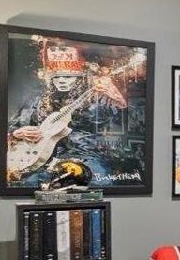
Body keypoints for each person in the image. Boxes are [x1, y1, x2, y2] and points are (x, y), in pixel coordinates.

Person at [8, 43, 128, 180]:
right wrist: (17, 133)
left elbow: (124, 123)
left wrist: (120, 103)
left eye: (67, 76)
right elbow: (15, 124)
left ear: (80, 77)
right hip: (41, 161)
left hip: (89, 161)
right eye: (56, 76)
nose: (61, 81)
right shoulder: (40, 99)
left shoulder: (99, 97)